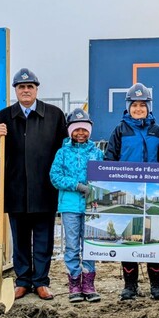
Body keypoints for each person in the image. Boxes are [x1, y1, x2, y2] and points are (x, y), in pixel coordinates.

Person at [0, 68, 66, 300]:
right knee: (19, 239)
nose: (26, 90)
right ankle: (23, 281)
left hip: (44, 187)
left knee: (43, 237)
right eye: (21, 87)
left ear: (37, 89)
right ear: (15, 90)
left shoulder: (54, 115)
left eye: (30, 86)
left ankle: (40, 281)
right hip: (16, 187)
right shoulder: (3, 117)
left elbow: (65, 150)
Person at [104, 82, 159, 301]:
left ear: (149, 107)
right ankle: (130, 286)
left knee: (153, 238)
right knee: (129, 238)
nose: (138, 109)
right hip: (127, 195)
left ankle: (156, 285)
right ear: (128, 107)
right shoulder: (120, 130)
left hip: (152, 195)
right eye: (135, 105)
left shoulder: (157, 131)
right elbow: (109, 161)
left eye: (143, 105)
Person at [49, 108, 105, 303]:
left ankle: (89, 282)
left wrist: (95, 187)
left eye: (84, 130)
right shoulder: (62, 153)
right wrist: (76, 185)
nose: (80, 133)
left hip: (91, 206)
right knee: (72, 246)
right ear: (70, 131)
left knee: (89, 245)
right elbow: (55, 176)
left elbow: (103, 176)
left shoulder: (97, 153)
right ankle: (74, 282)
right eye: (76, 130)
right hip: (70, 206)